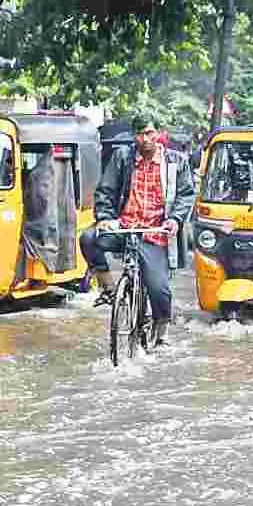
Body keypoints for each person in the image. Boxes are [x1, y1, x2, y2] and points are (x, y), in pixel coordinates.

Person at [80, 117, 196, 345]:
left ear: (160, 133)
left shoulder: (176, 162)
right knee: (88, 238)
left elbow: (186, 194)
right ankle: (109, 289)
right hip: (124, 227)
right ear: (133, 136)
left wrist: (175, 219)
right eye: (140, 134)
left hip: (155, 233)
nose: (145, 139)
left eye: (150, 133)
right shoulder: (122, 157)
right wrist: (104, 218)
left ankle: (160, 332)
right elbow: (105, 191)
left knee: (159, 290)